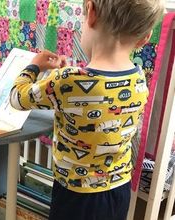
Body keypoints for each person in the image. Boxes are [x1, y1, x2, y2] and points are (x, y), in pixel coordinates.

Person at [10, 0, 164, 219]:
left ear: (90, 12)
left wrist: (35, 66)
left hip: (76, 193)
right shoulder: (138, 79)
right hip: (119, 189)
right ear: (145, 37)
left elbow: (17, 98)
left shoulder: (68, 80)